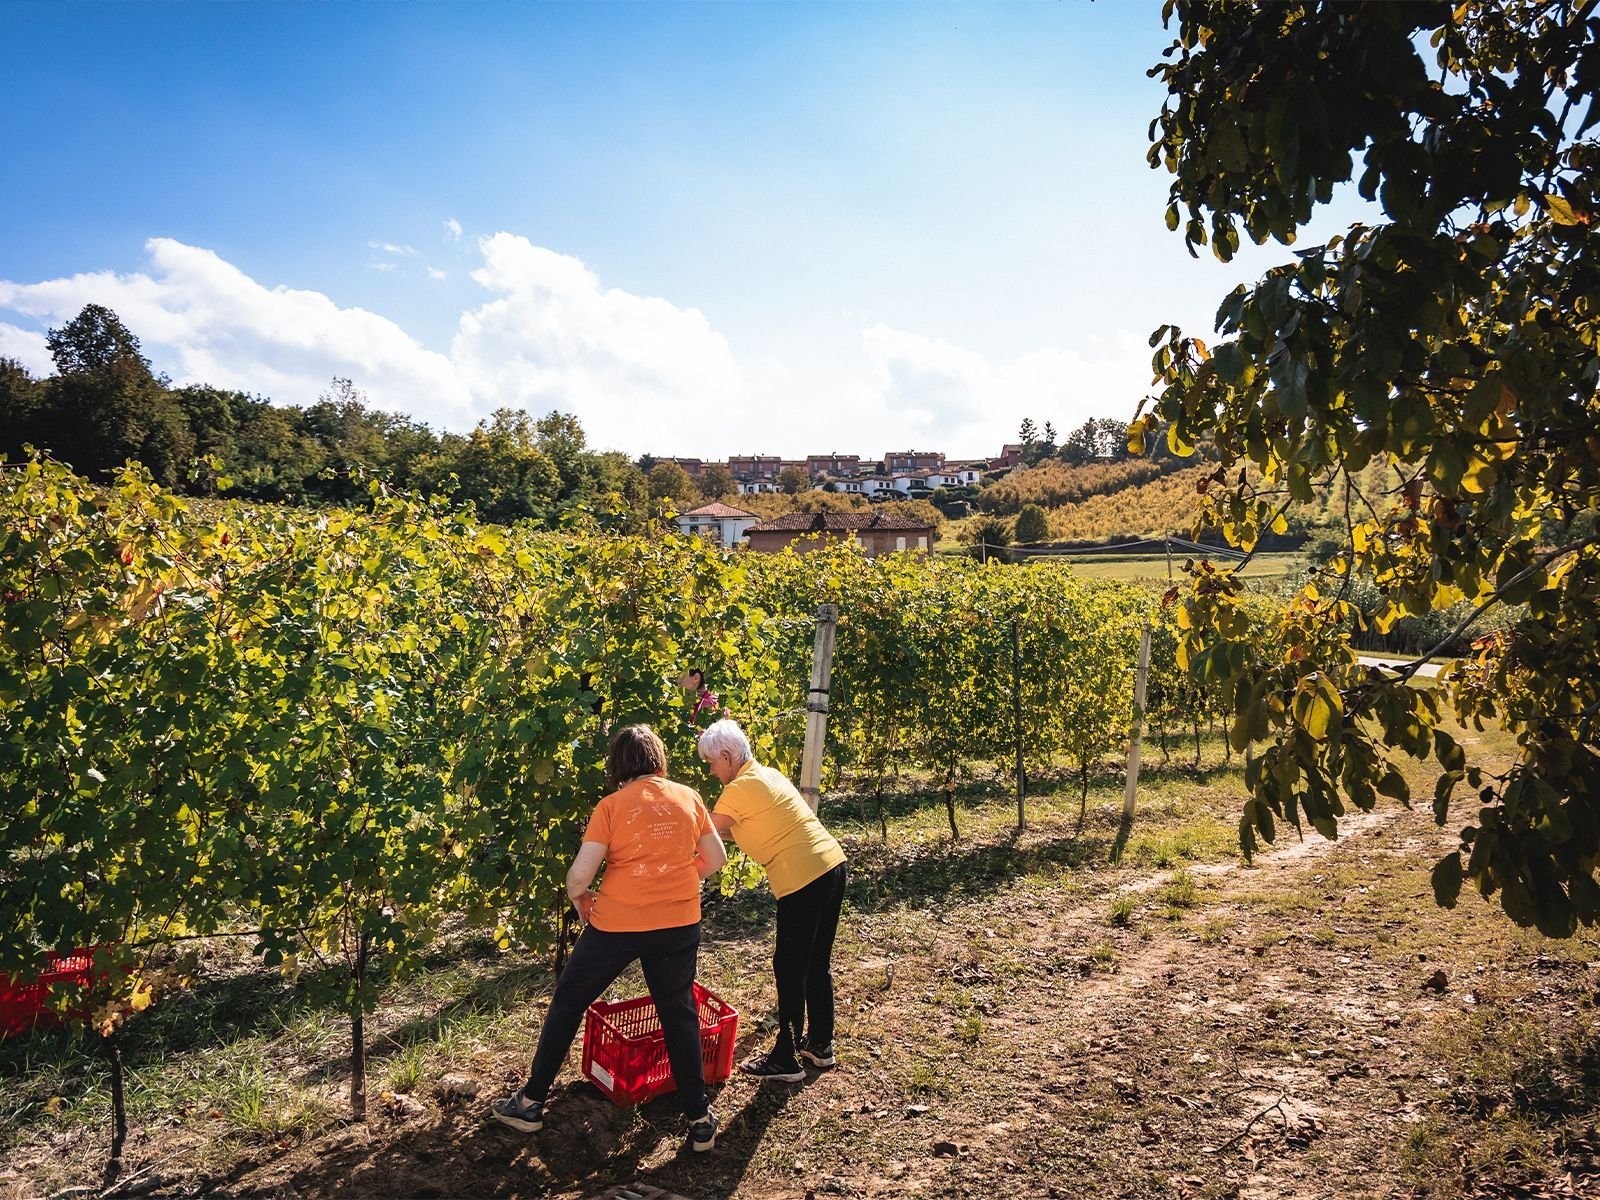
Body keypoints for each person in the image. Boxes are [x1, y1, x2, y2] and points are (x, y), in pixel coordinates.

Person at [491, 724, 728, 1151]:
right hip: (678, 923)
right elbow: (716, 858)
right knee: (678, 1013)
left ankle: (530, 1103)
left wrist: (580, 897)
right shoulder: (689, 797)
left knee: (569, 1002)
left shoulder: (612, 806)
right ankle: (699, 1118)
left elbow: (580, 876)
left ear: (618, 765)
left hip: (617, 925)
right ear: (658, 759)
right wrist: (676, 879)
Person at [697, 718, 847, 1082]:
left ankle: (786, 1058)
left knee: (789, 965)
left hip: (802, 878)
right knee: (815, 961)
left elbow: (704, 832)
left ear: (727, 756)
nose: (712, 771)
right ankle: (820, 1044)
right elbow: (738, 829)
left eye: (712, 763)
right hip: (831, 865)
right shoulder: (768, 776)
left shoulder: (738, 790)